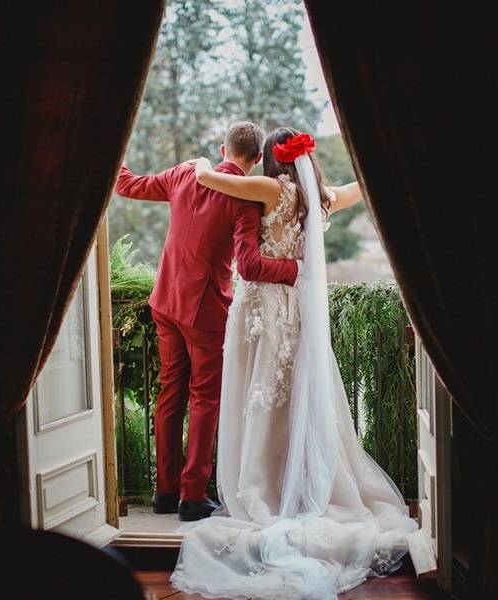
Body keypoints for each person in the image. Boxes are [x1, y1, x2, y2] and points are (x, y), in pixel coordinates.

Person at [170, 128, 419, 599]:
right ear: (305, 158)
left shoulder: (271, 189)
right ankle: (300, 485)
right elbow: (359, 188)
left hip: (263, 312)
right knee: (293, 400)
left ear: (270, 159)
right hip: (298, 315)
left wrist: (201, 165)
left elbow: (217, 183)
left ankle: (265, 487)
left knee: (260, 397)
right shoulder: (319, 197)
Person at [115, 122, 301, 522]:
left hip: (165, 301)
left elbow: (127, 185)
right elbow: (250, 266)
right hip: (205, 312)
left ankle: (164, 491)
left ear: (223, 148)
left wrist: (108, 146)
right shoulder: (244, 201)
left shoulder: (184, 172)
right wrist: (296, 270)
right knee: (204, 400)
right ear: (255, 162)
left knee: (170, 394)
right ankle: (192, 495)